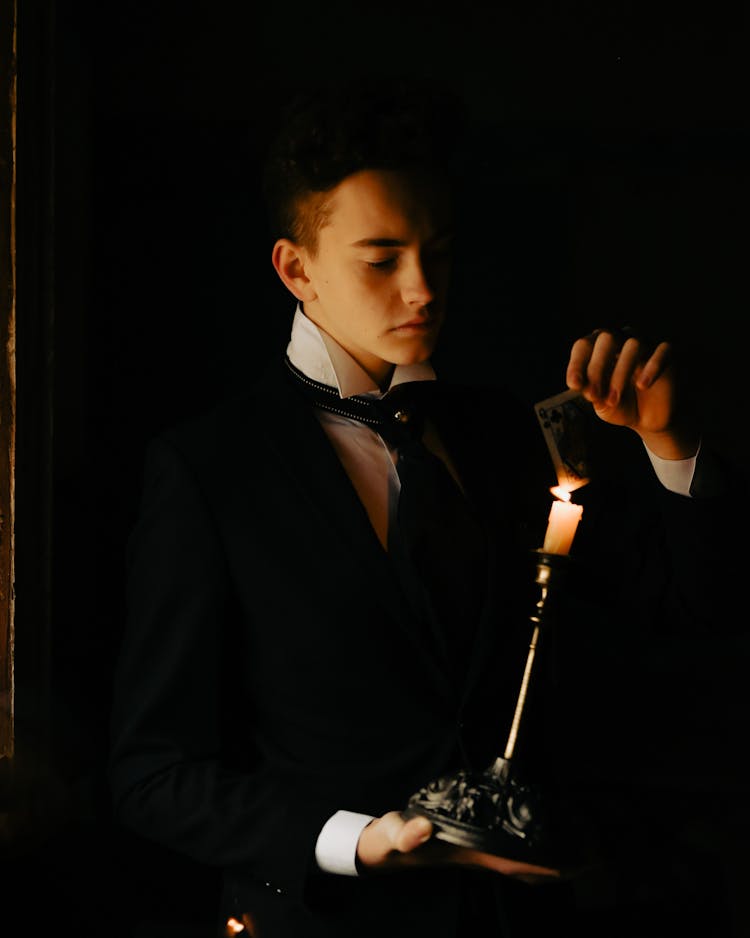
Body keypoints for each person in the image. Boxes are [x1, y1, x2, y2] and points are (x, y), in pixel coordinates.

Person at [107, 75, 741, 937]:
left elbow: (686, 611)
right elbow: (154, 773)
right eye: (381, 260)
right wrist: (356, 841)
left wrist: (672, 445)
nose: (423, 290)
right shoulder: (207, 469)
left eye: (437, 252)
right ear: (296, 268)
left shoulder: (506, 436)